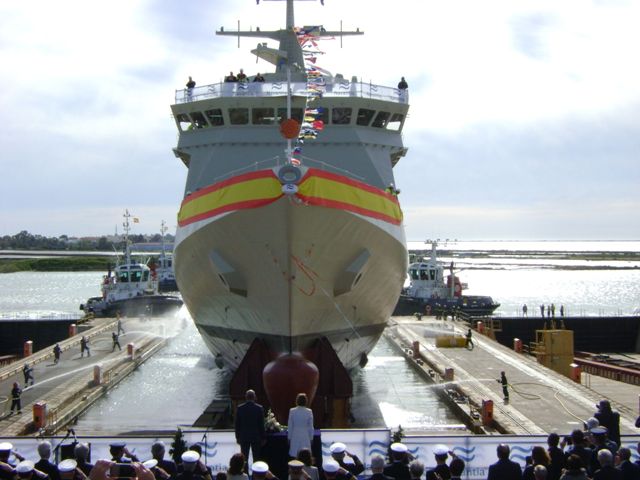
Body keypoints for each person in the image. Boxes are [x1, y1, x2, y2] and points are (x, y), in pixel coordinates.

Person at [235, 389, 265, 463]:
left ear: (246, 397)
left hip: (244, 437)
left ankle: (245, 470)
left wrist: (237, 437)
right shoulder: (259, 408)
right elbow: (261, 424)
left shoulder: (240, 408)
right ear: (254, 397)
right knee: (256, 458)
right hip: (256, 437)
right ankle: (255, 470)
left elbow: (237, 424)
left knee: (244, 459)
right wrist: (263, 437)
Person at [287, 393, 314, 458]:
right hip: (305, 435)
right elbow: (311, 427)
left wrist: (289, 438)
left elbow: (290, 426)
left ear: (297, 401)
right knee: (305, 455)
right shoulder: (309, 411)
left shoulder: (292, 411)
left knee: (295, 453)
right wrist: (311, 438)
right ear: (306, 401)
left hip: (295, 435)